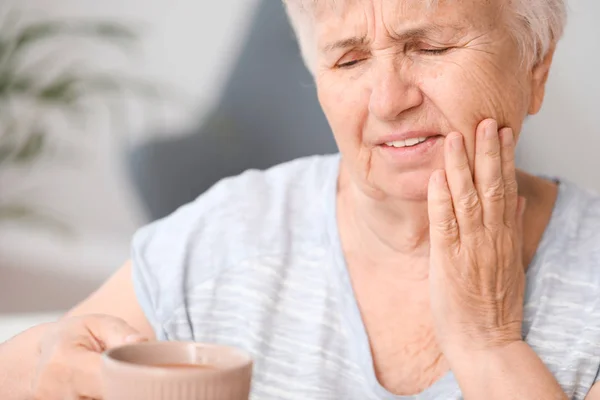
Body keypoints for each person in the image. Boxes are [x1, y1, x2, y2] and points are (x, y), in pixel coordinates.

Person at [2, 0, 600, 399]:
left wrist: (487, 342)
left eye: (431, 47)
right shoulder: (231, 231)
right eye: (349, 59)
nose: (388, 100)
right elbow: (33, 367)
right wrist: (45, 369)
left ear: (535, 65)